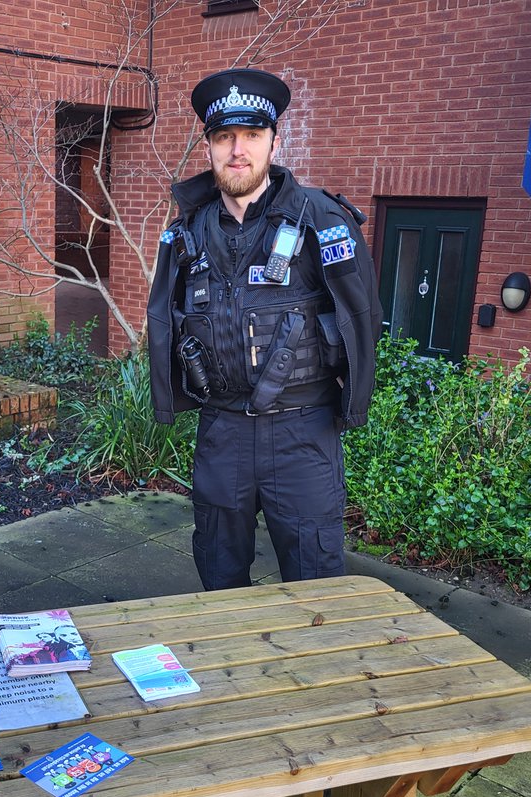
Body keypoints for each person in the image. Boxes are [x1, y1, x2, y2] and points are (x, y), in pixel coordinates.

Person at [147, 69, 382, 591]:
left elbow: (363, 315)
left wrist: (353, 404)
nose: (238, 150)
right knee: (218, 576)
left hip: (302, 434)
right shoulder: (186, 233)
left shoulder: (320, 218)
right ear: (208, 147)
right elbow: (164, 318)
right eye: (224, 137)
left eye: (252, 135)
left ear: (274, 142)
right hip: (222, 432)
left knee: (315, 581)